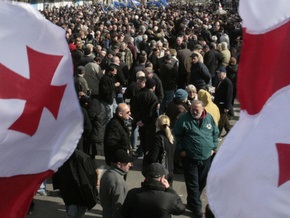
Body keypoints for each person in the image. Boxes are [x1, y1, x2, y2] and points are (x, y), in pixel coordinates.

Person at [173, 100, 219, 218]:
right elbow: (176, 135)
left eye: (196, 109)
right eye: (192, 109)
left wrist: (214, 147)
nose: (194, 111)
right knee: (192, 183)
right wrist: (181, 149)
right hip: (190, 157)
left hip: (206, 157)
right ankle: (197, 210)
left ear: (202, 109)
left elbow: (215, 133)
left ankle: (192, 202)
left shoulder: (209, 118)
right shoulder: (183, 119)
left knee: (201, 182)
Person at [100, 149, 135, 218]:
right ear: (119, 164)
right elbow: (118, 208)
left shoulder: (107, 173)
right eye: (127, 163)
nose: (130, 165)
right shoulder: (118, 182)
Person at [142, 115, 175, 186]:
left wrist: (147, 155)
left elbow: (153, 157)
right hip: (170, 169)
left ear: (158, 124)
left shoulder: (158, 138)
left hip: (160, 171)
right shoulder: (172, 138)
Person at [214, 67, 233, 139]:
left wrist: (227, 107)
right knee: (224, 118)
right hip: (218, 103)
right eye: (218, 73)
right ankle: (229, 129)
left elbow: (229, 95)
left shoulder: (228, 83)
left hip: (223, 105)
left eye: (219, 73)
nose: (218, 74)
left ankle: (217, 135)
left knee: (221, 120)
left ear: (224, 73)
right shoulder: (220, 81)